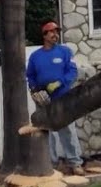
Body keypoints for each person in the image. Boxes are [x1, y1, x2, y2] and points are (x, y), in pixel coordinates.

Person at [26, 21, 85, 175]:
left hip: (63, 97)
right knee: (47, 131)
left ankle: (75, 163)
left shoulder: (65, 52)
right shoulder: (35, 56)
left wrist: (60, 82)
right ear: (44, 35)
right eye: (52, 32)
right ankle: (50, 164)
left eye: (57, 31)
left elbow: (72, 72)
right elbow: (30, 75)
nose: (55, 34)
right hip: (43, 99)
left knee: (68, 130)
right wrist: (34, 90)